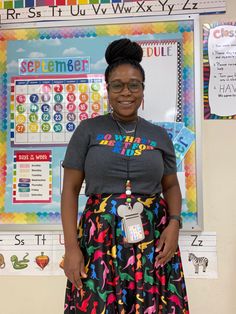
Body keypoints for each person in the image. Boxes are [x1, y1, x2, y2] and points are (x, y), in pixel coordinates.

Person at [61, 38, 189, 314]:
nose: (126, 92)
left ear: (143, 89)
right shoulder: (87, 130)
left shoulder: (159, 135)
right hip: (99, 240)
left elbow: (171, 185)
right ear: (107, 89)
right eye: (117, 85)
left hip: (153, 239)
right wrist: (72, 248)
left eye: (134, 85)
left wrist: (175, 224)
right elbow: (69, 191)